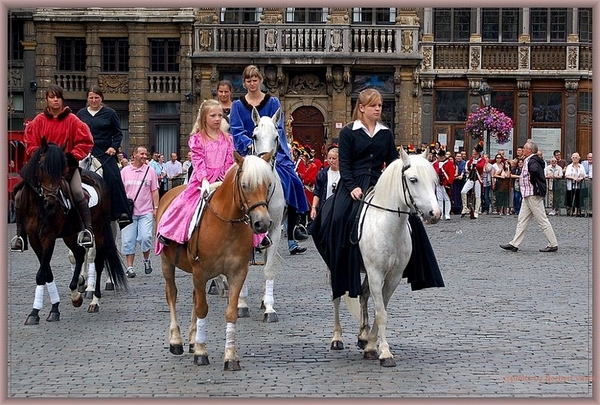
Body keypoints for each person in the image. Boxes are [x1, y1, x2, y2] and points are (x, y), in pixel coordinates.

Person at [313, 88, 398, 300]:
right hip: (353, 184)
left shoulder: (386, 133)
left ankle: (408, 262)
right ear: (362, 108)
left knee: (407, 221)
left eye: (380, 105)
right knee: (338, 217)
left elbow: (394, 162)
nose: (378, 108)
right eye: (373, 105)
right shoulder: (349, 132)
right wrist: (352, 187)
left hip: (379, 183)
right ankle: (340, 265)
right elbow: (345, 164)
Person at [229, 64, 310, 255]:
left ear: (260, 80)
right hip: (249, 152)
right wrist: (249, 144)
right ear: (244, 82)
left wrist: (272, 149)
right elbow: (236, 129)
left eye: (255, 79)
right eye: (248, 80)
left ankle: (295, 226)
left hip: (273, 151)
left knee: (293, 180)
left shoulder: (273, 102)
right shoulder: (237, 106)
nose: (252, 83)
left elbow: (278, 127)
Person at [10, 84, 95, 251]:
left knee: (78, 192)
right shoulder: (38, 121)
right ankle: (20, 235)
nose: (55, 100)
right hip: (42, 169)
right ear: (47, 100)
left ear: (62, 100)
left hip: (66, 169)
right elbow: (30, 144)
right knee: (19, 193)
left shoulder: (73, 121)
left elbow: (86, 142)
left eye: (58, 97)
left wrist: (71, 156)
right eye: (51, 97)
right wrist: (44, 156)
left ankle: (87, 230)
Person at [156, 99, 234, 250]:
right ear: (205, 117)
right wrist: (204, 179)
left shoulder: (228, 139)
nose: (218, 118)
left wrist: (224, 178)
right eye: (213, 115)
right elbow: (198, 162)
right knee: (184, 203)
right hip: (201, 179)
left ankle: (258, 235)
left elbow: (229, 161)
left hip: (223, 178)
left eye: (220, 115)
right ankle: (166, 231)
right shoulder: (197, 139)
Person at [76, 85, 132, 228]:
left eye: (96, 97)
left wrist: (113, 147)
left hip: (104, 152)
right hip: (86, 150)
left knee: (113, 177)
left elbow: (118, 133)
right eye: (91, 97)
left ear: (101, 99)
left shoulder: (110, 113)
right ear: (87, 99)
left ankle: (122, 213)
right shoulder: (81, 114)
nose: (94, 100)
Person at [500, 140, 559, 253]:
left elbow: (535, 171)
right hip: (527, 194)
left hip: (532, 194)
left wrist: (532, 179)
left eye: (525, 147)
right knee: (522, 220)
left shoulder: (532, 160)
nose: (523, 149)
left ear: (530, 150)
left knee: (542, 220)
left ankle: (553, 243)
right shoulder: (530, 159)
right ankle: (514, 244)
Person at [120, 146, 159, 278]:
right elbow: (120, 192)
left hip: (145, 211)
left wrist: (156, 208)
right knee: (128, 240)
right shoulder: (124, 171)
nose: (144, 156)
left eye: (146, 154)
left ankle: (146, 260)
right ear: (134, 154)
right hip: (128, 213)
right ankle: (130, 267)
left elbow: (154, 191)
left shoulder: (150, 171)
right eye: (142, 153)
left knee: (145, 237)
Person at [309, 146, 340, 222]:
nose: (331, 161)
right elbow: (317, 193)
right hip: (325, 208)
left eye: (334, 158)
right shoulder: (322, 174)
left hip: (339, 209)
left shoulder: (345, 174)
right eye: (329, 158)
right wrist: (313, 208)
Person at [460, 142, 485, 218]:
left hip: (477, 179)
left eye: (474, 153)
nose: (473, 154)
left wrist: (476, 164)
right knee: (463, 191)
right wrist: (472, 163)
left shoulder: (482, 159)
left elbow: (480, 166)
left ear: (478, 153)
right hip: (471, 177)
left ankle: (476, 211)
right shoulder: (472, 158)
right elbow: (468, 166)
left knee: (478, 195)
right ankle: (465, 207)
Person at [432, 149, 454, 220]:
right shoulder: (435, 163)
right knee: (439, 199)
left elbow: (451, 174)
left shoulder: (449, 163)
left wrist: (449, 183)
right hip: (438, 183)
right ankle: (441, 214)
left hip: (446, 183)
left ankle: (447, 214)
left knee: (447, 199)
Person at [564, 152, 587, 216]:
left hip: (579, 185)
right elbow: (566, 175)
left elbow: (584, 175)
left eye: (576, 157)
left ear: (579, 158)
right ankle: (570, 210)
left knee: (578, 197)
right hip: (571, 185)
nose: (574, 159)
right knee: (570, 197)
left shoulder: (581, 166)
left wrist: (580, 178)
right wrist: (573, 178)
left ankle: (578, 210)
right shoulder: (569, 166)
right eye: (573, 157)